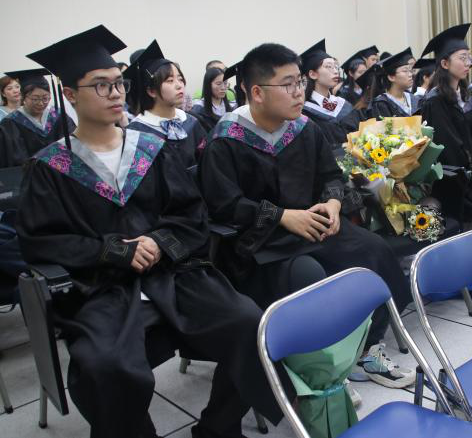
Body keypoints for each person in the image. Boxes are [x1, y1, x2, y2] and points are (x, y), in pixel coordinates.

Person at [19, 24, 289, 438]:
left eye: (118, 83)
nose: (115, 93)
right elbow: (41, 240)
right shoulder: (49, 166)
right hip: (103, 287)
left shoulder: (150, 149)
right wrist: (113, 250)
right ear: (70, 95)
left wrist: (158, 241)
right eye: (101, 85)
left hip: (173, 274)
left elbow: (191, 214)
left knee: (250, 323)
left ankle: (218, 429)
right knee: (103, 365)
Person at [198, 42, 414, 388]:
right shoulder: (226, 138)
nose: (299, 92)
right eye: (288, 84)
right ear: (257, 92)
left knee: (375, 253)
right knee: (308, 275)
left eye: (300, 81)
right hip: (261, 242)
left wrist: (333, 203)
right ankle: (320, 370)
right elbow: (223, 205)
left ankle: (366, 348)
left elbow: (330, 177)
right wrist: (281, 216)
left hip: (314, 225)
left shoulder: (304, 128)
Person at [417, 24, 472, 235]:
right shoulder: (435, 102)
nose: (468, 63)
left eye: (469, 58)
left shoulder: (464, 96)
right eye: (462, 58)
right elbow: (451, 151)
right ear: (444, 63)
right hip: (452, 181)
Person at [124, 40, 206, 168]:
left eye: (180, 79)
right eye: (170, 80)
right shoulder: (137, 133)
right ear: (151, 91)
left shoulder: (191, 122)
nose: (179, 85)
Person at [0, 68, 75, 167]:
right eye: (35, 99)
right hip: (30, 174)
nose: (41, 103)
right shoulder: (11, 123)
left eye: (45, 98)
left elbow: (73, 144)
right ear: (23, 96)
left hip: (62, 171)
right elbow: (15, 158)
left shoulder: (59, 116)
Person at [300, 39, 359, 148]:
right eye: (328, 67)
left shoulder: (343, 105)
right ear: (313, 74)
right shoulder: (305, 113)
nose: (336, 71)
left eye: (336, 67)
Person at [369, 47, 420, 118]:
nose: (410, 75)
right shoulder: (382, 104)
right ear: (391, 77)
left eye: (410, 70)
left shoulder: (414, 99)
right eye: (405, 71)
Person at [191, 67, 234, 132]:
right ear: (208, 85)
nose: (223, 88)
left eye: (225, 83)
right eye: (218, 84)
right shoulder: (199, 109)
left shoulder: (231, 107)